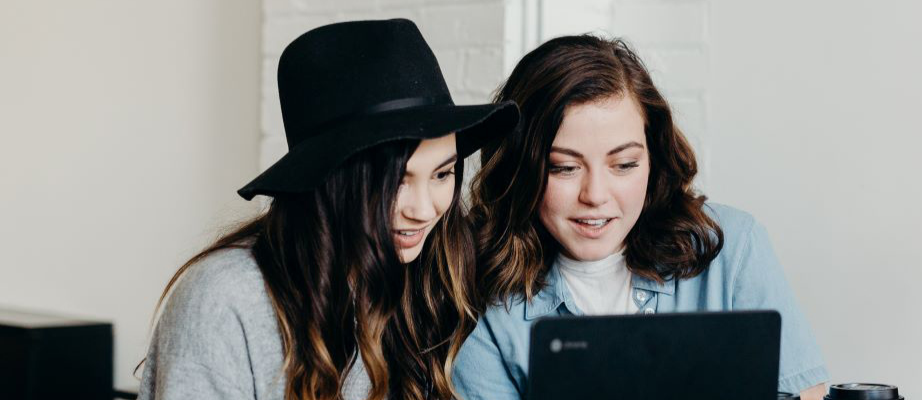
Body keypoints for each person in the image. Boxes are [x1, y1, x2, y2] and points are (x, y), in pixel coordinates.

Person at [137, 19, 518, 400]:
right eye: (396, 182)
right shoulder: (227, 299)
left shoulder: (427, 280)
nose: (423, 210)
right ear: (332, 181)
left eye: (442, 174)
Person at [452, 35, 829, 399]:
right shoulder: (480, 294)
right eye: (565, 168)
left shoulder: (732, 247)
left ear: (653, 159)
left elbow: (804, 394)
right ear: (520, 171)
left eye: (624, 164)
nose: (595, 195)